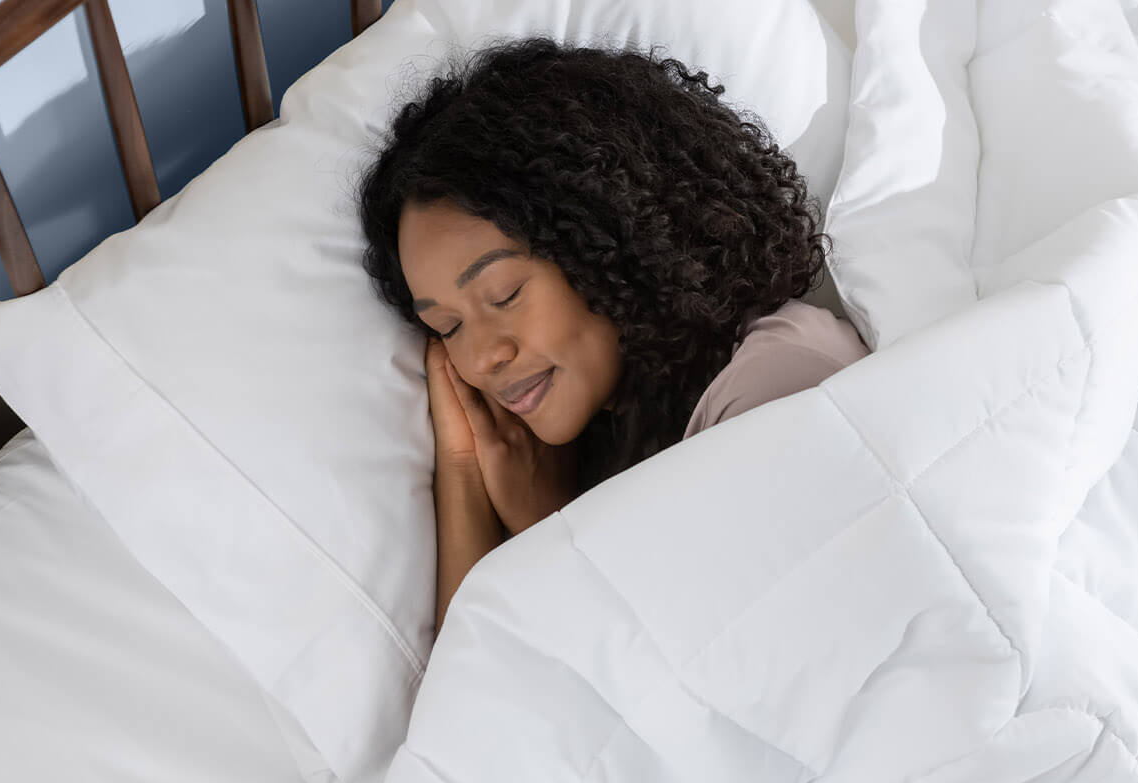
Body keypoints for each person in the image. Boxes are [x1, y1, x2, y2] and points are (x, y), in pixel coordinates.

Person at [356, 37, 870, 635]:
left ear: (613, 244)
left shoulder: (778, 381)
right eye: (447, 327)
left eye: (504, 295)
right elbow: (473, 699)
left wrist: (547, 526)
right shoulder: (611, 436)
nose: (481, 357)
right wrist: (464, 469)